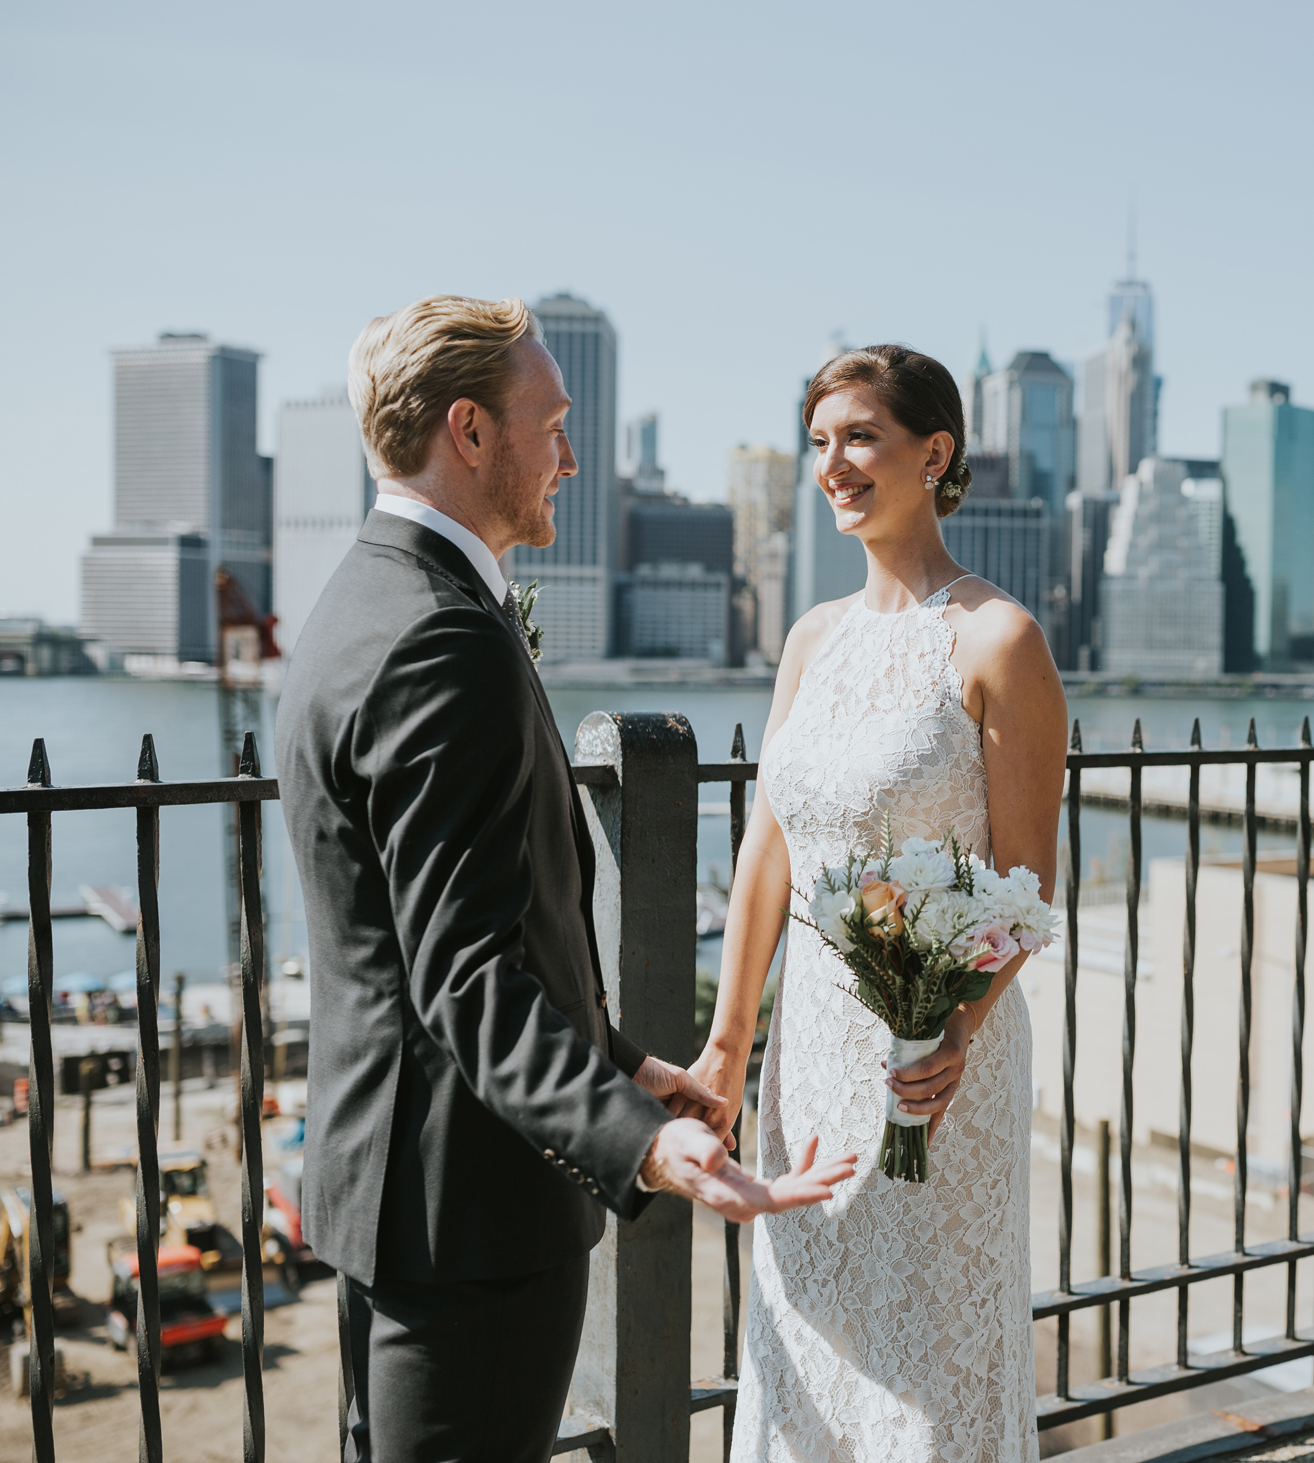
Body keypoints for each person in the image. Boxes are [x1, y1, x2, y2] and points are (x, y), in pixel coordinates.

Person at [275, 295, 855, 1462]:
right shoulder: (445, 639)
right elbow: (466, 973)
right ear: (470, 432)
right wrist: (640, 1140)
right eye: (553, 424)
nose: (572, 457)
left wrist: (628, 1062)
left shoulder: (356, 601)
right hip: (470, 1223)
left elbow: (421, 937)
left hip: (394, 1200)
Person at [690, 345, 1067, 1461]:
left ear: (933, 452)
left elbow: (1027, 883)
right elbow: (769, 848)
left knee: (928, 1368)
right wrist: (726, 1045)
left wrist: (953, 1029)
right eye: (819, 442)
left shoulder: (1000, 638)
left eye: (858, 436)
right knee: (806, 1347)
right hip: (806, 1054)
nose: (833, 464)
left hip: (935, 1066)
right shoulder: (811, 635)